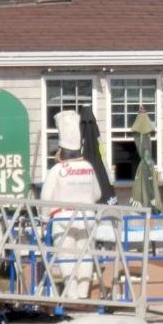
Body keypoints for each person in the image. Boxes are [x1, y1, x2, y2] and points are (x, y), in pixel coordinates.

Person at [40, 110, 102, 299]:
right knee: (85, 254)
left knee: (66, 255)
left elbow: (45, 198)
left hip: (62, 219)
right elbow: (98, 193)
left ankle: (71, 293)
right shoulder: (89, 168)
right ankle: (84, 294)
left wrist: (43, 219)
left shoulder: (57, 170)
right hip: (88, 218)